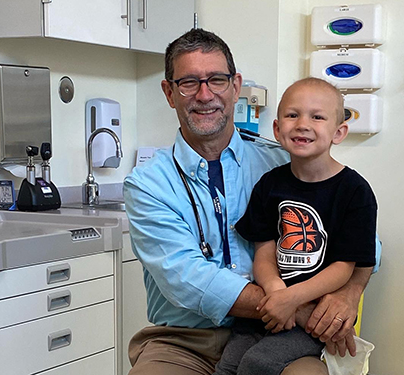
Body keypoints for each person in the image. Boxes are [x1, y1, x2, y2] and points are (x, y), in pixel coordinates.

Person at [123, 28, 374, 375]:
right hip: (185, 340)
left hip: (285, 334)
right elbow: (185, 276)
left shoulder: (284, 164)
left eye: (217, 80)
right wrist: (292, 305)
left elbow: (366, 244)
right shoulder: (148, 184)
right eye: (189, 83)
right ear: (169, 92)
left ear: (236, 86)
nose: (205, 94)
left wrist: (349, 294)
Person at [213, 78, 377, 375]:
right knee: (228, 365)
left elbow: (344, 267)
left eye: (317, 117)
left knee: (257, 363)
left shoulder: (355, 192)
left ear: (338, 132)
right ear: (277, 129)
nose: (302, 124)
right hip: (267, 310)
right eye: (292, 115)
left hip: (311, 316)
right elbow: (264, 249)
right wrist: (276, 291)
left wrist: (293, 299)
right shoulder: (270, 185)